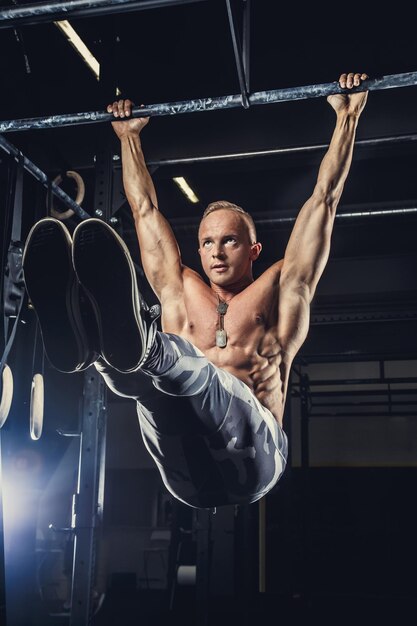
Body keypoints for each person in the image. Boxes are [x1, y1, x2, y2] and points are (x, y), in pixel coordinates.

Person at [22, 72, 368, 509]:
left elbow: (324, 199)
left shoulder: (282, 287)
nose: (217, 252)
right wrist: (129, 138)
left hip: (254, 463)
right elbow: (144, 210)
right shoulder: (181, 289)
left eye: (230, 241)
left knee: (195, 375)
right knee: (149, 393)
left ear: (253, 249)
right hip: (186, 474)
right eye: (207, 242)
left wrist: (348, 116)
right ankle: (91, 347)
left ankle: (143, 350)